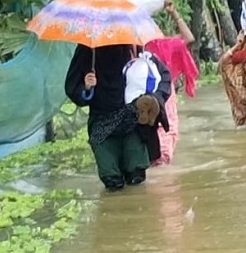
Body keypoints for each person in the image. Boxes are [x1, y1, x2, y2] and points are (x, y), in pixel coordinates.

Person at [65, 44, 172, 191]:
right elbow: (72, 87)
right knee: (112, 181)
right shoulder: (88, 48)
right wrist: (87, 88)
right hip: (102, 122)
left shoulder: (132, 44)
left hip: (132, 120)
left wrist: (154, 99)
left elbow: (163, 76)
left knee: (136, 177)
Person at [143, 0, 198, 166]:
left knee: (164, 128)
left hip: (162, 93)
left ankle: (159, 164)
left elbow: (188, 38)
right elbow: (189, 38)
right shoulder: (137, 48)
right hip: (149, 94)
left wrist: (174, 13)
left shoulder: (164, 45)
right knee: (163, 128)